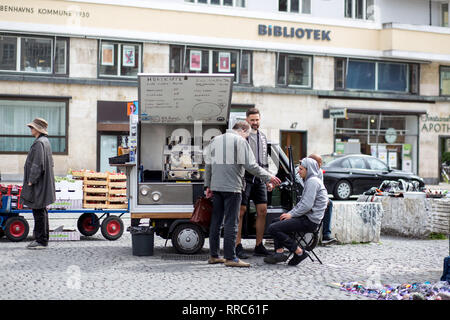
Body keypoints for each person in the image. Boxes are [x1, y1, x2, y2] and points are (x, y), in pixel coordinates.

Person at [204, 121, 281, 268]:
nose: (247, 139)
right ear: (244, 130)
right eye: (247, 136)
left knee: (216, 222)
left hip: (216, 187)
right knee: (231, 223)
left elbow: (208, 165)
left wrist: (207, 185)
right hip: (232, 188)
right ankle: (231, 257)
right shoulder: (239, 141)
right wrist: (268, 177)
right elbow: (250, 165)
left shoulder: (215, 140)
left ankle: (214, 255)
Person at [264, 157, 328, 266]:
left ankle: (299, 252)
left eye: (301, 169)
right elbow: (302, 204)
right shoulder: (311, 180)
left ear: (309, 170)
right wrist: (290, 214)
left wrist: (291, 214)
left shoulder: (312, 182)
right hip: (306, 217)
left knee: (273, 228)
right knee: (276, 221)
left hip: (309, 221)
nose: (299, 171)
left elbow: (306, 205)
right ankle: (279, 253)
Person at [236, 108, 272, 259]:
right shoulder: (242, 136)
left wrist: (268, 179)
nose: (255, 123)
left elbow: (265, 161)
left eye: (257, 120)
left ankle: (259, 245)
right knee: (241, 211)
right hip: (245, 178)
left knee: (262, 210)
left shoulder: (263, 137)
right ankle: (237, 245)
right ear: (247, 120)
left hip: (260, 179)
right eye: (252, 120)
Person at [19, 118, 56, 250]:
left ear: (38, 129)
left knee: (38, 211)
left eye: (32, 127)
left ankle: (41, 240)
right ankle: (42, 239)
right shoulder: (45, 142)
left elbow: (37, 164)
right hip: (43, 182)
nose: (31, 129)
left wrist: (31, 180)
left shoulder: (39, 143)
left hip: (39, 184)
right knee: (42, 211)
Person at [307, 154, 337, 244]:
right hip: (307, 196)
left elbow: (321, 187)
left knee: (329, 203)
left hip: (316, 195)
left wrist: (326, 198)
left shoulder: (319, 171)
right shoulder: (302, 170)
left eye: (320, 163)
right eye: (318, 163)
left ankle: (326, 235)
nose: (320, 165)